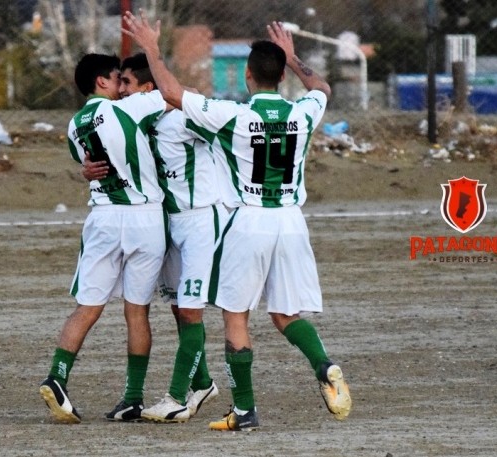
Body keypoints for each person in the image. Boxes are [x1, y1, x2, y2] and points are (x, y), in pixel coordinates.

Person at [122, 11, 352, 431]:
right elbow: (322, 86)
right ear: (282, 76)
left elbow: (171, 93)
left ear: (247, 75)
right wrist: (293, 55)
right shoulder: (302, 113)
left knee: (235, 318)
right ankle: (324, 365)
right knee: (285, 315)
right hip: (291, 222)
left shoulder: (235, 115)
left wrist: (152, 49)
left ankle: (244, 409)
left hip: (249, 221)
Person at [83, 53, 224, 423]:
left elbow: (228, 135)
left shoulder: (183, 118)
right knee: (180, 309)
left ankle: (176, 397)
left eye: (126, 82)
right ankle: (204, 383)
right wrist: (87, 168)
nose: (120, 89)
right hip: (165, 225)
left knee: (191, 311)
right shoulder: (135, 125)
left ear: (148, 88)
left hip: (199, 224)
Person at [39, 53, 168, 424]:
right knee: (136, 312)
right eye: (117, 78)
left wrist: (86, 172)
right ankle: (132, 397)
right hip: (145, 219)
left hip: (104, 218)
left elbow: (91, 163)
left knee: (88, 307)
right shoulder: (131, 108)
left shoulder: (72, 125)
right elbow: (174, 93)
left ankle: (58, 377)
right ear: (102, 82)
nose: (122, 85)